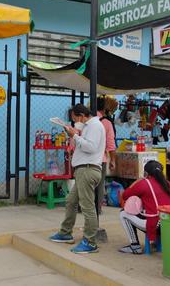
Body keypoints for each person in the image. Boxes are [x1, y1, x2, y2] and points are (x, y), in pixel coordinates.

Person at [50, 104, 106, 253]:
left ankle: (90, 242)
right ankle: (65, 233)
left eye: (75, 118)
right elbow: (85, 144)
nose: (75, 121)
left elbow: (91, 147)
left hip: (88, 169)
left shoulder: (94, 126)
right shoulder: (89, 126)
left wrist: (75, 135)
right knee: (70, 201)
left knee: (87, 207)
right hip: (83, 170)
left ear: (81, 115)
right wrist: (74, 135)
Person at [118, 160, 170, 254]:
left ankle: (135, 246)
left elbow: (125, 195)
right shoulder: (168, 184)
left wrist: (137, 181)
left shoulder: (144, 183)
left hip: (156, 224)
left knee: (123, 213)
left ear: (146, 173)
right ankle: (156, 243)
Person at [96, 96, 117, 214]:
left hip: (86, 159)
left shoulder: (87, 120)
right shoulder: (107, 123)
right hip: (100, 159)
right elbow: (111, 144)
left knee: (85, 184)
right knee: (99, 185)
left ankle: (82, 207)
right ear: (105, 108)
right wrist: (113, 160)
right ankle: (97, 209)